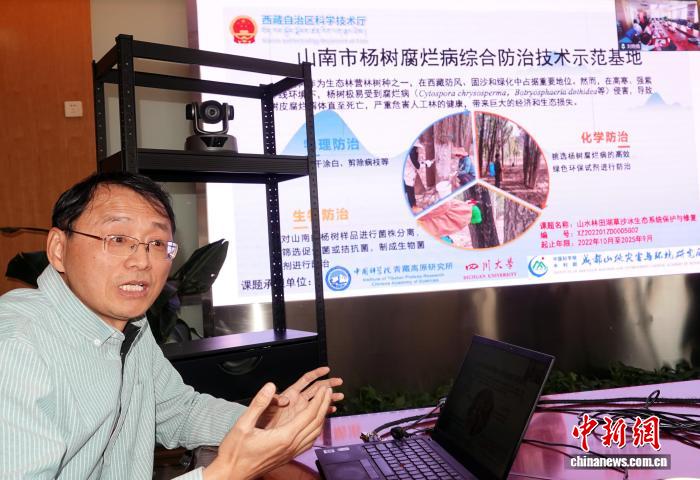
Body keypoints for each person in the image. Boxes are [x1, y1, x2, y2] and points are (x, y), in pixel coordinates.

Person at [0, 172, 343, 479]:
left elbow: (177, 410)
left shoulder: (130, 324)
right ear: (58, 249)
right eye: (117, 239)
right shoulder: (15, 347)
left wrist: (264, 420)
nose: (142, 260)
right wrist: (225, 472)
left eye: (157, 243)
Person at [404, 145, 422, 213]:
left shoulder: (410, 151)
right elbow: (417, 165)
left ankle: (410, 204)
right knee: (410, 190)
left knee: (407, 189)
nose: (418, 150)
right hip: (408, 173)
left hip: (407, 173)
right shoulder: (412, 152)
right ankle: (413, 207)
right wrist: (425, 164)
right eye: (417, 149)